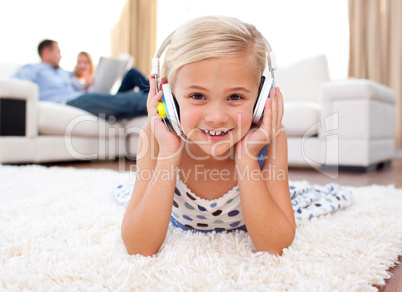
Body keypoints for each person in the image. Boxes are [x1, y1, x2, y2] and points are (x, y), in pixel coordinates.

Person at [120, 16, 296, 257]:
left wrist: (247, 158)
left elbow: (275, 245)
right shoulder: (155, 138)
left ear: (261, 98)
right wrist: (169, 154)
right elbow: (139, 247)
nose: (216, 117)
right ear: (168, 99)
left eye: (235, 97)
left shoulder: (271, 137)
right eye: (198, 96)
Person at [12, 40, 148, 120]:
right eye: (58, 52)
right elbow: (12, 83)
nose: (60, 56)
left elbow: (77, 85)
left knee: (131, 78)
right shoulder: (34, 69)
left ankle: (155, 101)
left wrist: (88, 84)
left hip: (82, 97)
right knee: (131, 98)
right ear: (46, 53)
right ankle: (162, 100)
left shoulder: (62, 72)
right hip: (70, 102)